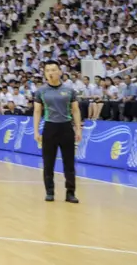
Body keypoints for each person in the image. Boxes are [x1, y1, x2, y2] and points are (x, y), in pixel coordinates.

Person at [32, 62, 81, 203]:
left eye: (53, 69)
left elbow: (75, 110)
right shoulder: (41, 91)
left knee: (69, 163)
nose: (50, 72)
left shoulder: (69, 90)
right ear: (45, 73)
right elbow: (37, 111)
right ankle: (49, 192)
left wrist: (78, 129)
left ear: (60, 72)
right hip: (49, 128)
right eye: (47, 70)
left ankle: (70, 193)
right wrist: (36, 131)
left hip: (66, 128)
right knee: (48, 163)